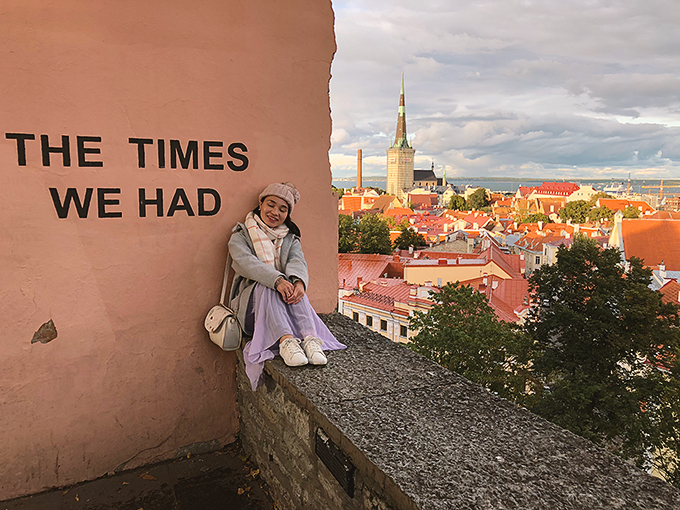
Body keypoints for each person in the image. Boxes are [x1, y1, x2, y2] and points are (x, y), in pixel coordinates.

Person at [228, 182, 346, 390]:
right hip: (250, 312)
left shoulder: (290, 237)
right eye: (271, 205)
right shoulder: (241, 235)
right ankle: (286, 342)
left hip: (284, 307)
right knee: (270, 285)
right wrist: (277, 280)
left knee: (292, 285)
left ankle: (309, 339)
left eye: (283, 209)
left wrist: (299, 282)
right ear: (260, 203)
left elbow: (296, 260)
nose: (275, 212)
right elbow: (246, 263)